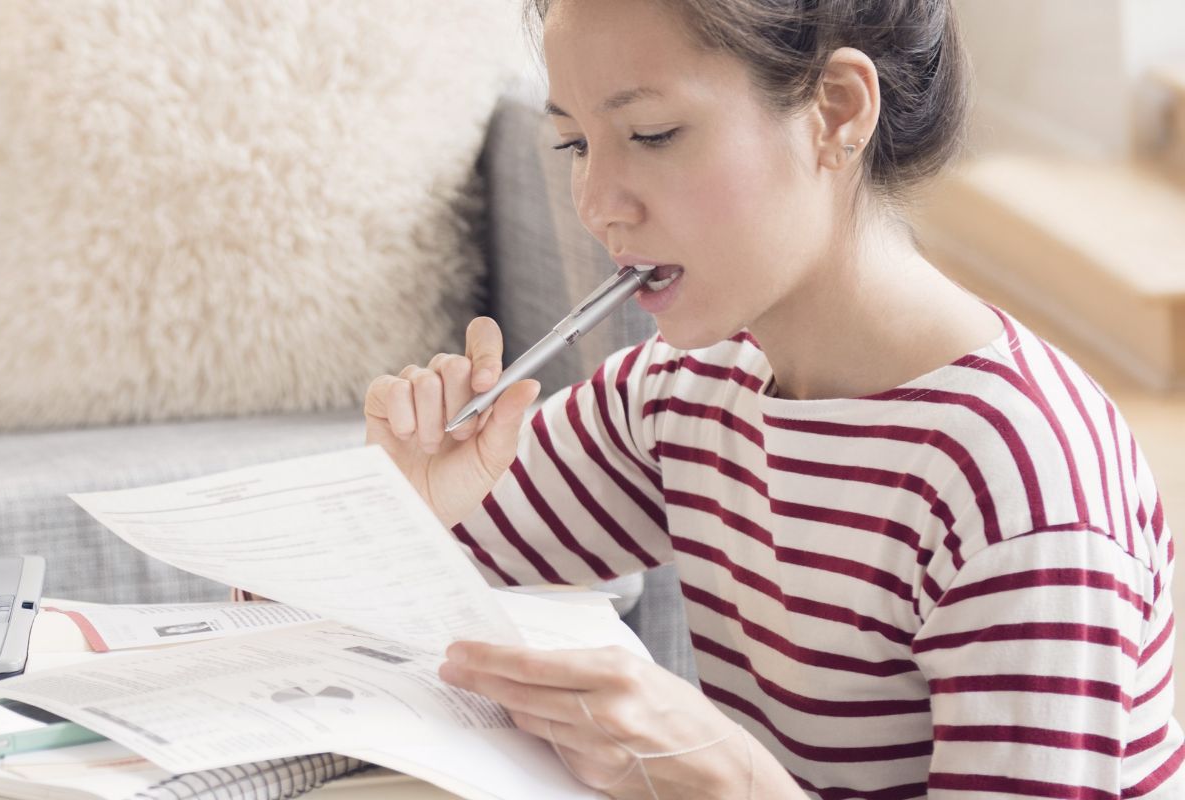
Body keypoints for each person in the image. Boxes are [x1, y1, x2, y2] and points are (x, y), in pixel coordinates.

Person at [368, 0, 1184, 796]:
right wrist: (409, 508)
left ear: (837, 110)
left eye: (652, 134)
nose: (595, 202)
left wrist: (735, 778)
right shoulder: (686, 391)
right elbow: (358, 607)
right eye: (577, 142)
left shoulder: (1024, 494)